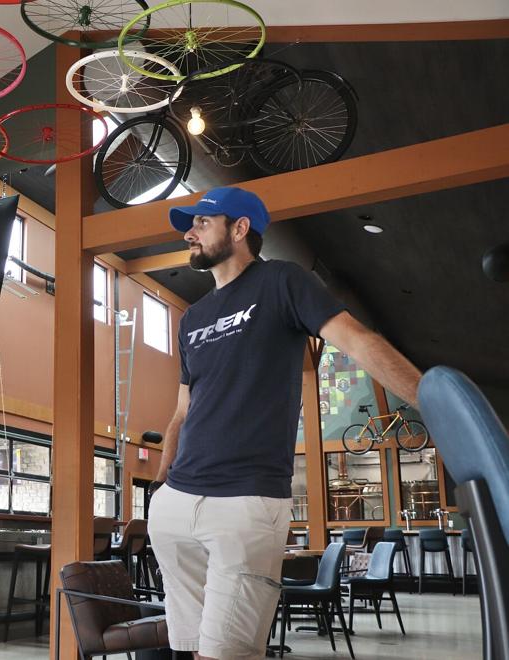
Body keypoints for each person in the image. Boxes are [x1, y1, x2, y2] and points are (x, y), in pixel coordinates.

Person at [147, 187, 422, 660]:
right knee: (189, 649)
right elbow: (182, 410)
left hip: (245, 501)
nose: (189, 232)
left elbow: (356, 341)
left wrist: (436, 401)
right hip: (176, 505)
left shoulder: (281, 282)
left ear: (240, 229)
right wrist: (160, 487)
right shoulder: (192, 318)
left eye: (201, 223)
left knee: (226, 652)